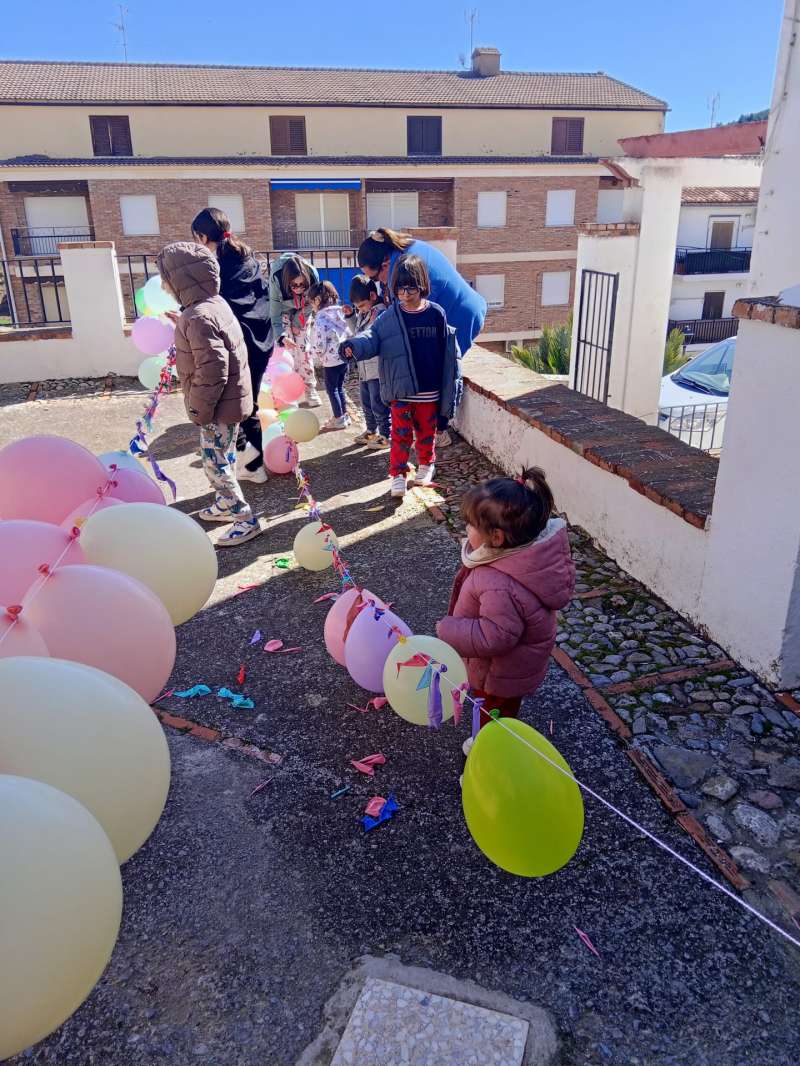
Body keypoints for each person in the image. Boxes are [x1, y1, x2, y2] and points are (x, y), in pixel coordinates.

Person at [435, 468, 574, 768]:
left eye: (471, 525)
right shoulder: (515, 561)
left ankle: (489, 766)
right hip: (510, 667)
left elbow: (496, 636)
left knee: (494, 717)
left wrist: (449, 630)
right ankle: (491, 744)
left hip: (500, 673)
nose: (466, 529)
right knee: (499, 712)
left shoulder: (499, 583)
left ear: (496, 537)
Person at [156, 241, 260, 546]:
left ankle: (244, 518)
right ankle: (226, 504)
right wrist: (183, 323)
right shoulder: (211, 305)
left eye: (165, 280)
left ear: (182, 281)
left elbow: (213, 369)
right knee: (224, 454)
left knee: (215, 463)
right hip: (231, 401)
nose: (163, 286)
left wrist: (199, 409)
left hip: (217, 407)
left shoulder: (197, 317)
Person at [342, 254, 460, 499]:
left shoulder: (436, 314)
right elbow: (371, 338)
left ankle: (426, 465)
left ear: (422, 285)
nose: (405, 294)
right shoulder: (389, 317)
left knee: (427, 434)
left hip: (430, 391)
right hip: (401, 391)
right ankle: (397, 474)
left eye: (411, 288)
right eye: (400, 289)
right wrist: (353, 346)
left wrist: (449, 390)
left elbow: (448, 354)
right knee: (400, 436)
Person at [357, 227, 487, 447]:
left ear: (385, 264)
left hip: (460, 316)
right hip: (459, 308)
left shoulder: (403, 269)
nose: (379, 283)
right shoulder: (403, 251)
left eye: (375, 277)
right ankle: (429, 428)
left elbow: (406, 321)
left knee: (442, 373)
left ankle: (439, 431)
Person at [190, 208, 273, 485]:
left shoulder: (214, 268)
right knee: (250, 404)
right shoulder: (246, 257)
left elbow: (212, 308)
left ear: (202, 237)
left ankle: (251, 464)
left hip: (240, 346)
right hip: (262, 340)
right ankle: (253, 464)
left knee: (235, 407)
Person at [268, 252, 321, 407]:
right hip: (282, 311)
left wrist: (298, 322)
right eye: (294, 285)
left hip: (304, 309)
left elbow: (312, 303)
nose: (298, 288)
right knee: (286, 352)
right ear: (287, 282)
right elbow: (274, 314)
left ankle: (309, 388)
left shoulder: (313, 275)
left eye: (302, 285)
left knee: (304, 348)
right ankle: (287, 392)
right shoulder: (276, 279)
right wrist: (282, 336)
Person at [345, 274, 390, 448]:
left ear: (372, 296)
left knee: (378, 403)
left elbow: (373, 337)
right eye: (357, 307)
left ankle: (385, 435)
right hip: (364, 368)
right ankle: (371, 431)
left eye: (362, 305)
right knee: (366, 403)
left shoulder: (381, 313)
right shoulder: (364, 313)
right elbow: (358, 334)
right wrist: (351, 317)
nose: (361, 309)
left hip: (376, 369)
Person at [308, 280, 351, 431]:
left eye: (311, 303)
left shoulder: (321, 319)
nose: (312, 306)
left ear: (317, 300)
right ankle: (344, 415)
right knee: (340, 387)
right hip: (344, 358)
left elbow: (320, 345)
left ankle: (339, 419)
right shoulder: (339, 313)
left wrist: (312, 353)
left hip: (330, 361)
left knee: (332, 389)